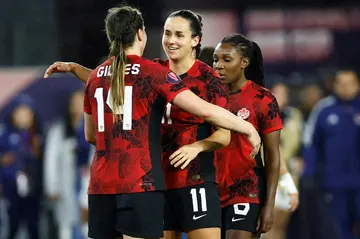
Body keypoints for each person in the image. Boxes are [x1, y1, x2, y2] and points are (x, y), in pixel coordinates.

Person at [52, 5, 261, 239]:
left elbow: (96, 121)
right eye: (167, 33)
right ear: (141, 33)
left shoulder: (206, 78)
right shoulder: (154, 71)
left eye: (179, 34)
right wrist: (247, 128)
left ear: (195, 40)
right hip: (148, 182)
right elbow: (207, 111)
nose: (171, 40)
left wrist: (198, 146)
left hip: (187, 180)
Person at [212, 34, 281, 239]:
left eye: (226, 59)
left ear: (244, 63)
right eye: (215, 59)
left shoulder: (263, 99)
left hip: (246, 188)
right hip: (210, 187)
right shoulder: (206, 97)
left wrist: (269, 205)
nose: (218, 66)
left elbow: (272, 156)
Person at [303, 70, 360, 239]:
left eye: (349, 83)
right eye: (340, 83)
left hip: (358, 179)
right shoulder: (324, 109)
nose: (345, 87)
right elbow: (310, 143)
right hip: (334, 181)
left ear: (357, 85)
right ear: (334, 85)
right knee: (338, 228)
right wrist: (310, 174)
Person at [262, 83, 300, 239]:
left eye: (285, 94)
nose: (282, 97)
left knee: (281, 225)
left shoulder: (294, 115)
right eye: (278, 93)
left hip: (288, 175)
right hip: (268, 174)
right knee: (268, 224)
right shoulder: (261, 114)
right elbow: (272, 152)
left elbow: (299, 143)